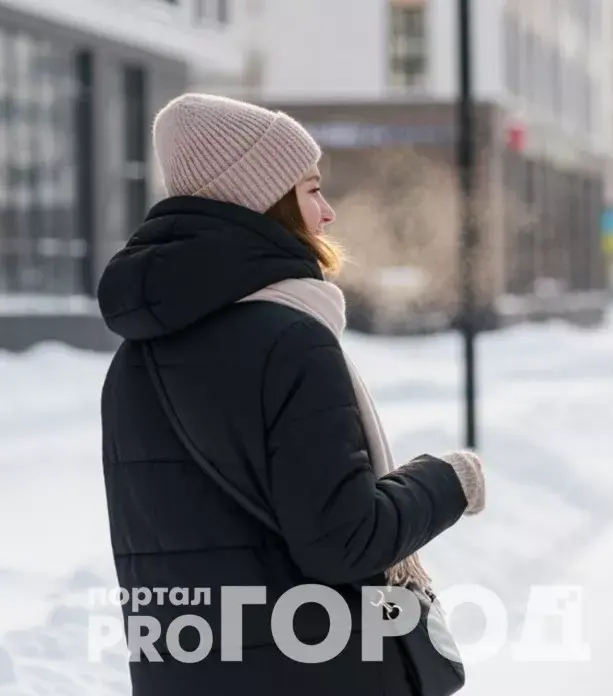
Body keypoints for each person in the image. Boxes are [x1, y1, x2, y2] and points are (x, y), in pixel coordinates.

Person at [97, 93, 485, 696]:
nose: (327, 213)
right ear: (265, 203)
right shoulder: (290, 343)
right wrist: (448, 479)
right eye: (310, 189)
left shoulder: (132, 360)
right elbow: (345, 541)